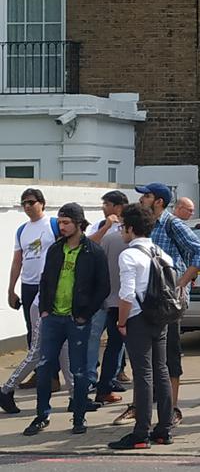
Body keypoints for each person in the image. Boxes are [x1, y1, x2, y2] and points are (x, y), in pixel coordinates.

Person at [23, 203, 109, 437]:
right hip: (53, 317)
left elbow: (103, 288)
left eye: (66, 222)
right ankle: (42, 415)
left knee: (79, 371)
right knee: (44, 367)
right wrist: (44, 309)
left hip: (77, 319)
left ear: (79, 223)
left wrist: (85, 314)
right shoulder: (55, 249)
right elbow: (45, 279)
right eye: (60, 222)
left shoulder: (93, 251)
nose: (62, 227)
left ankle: (79, 416)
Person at [136, 182, 200, 426]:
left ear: (158, 201)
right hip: (148, 298)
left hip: (168, 301)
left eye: (146, 196)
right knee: (144, 355)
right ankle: (141, 406)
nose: (141, 200)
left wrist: (181, 283)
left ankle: (171, 409)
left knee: (170, 354)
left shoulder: (171, 223)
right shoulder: (144, 224)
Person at [107, 204, 174, 450]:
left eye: (122, 226)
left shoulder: (129, 255)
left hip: (137, 318)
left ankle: (140, 433)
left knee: (143, 375)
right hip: (161, 317)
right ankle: (164, 429)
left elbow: (126, 295)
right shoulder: (160, 252)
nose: (121, 230)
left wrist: (121, 322)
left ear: (131, 228)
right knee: (161, 370)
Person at [94, 191, 130, 407]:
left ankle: (106, 384)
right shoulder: (114, 235)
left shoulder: (109, 237)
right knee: (121, 346)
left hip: (112, 299)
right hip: (127, 301)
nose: (103, 207)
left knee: (114, 346)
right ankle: (105, 385)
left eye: (106, 203)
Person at [9, 188, 55, 349]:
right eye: (24, 203)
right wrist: (11, 289)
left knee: (50, 327)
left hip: (50, 285)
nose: (27, 206)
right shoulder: (22, 230)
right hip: (28, 285)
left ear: (42, 203)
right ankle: (37, 368)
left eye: (31, 202)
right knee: (32, 328)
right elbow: (17, 261)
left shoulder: (53, 225)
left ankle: (52, 370)